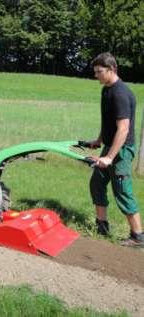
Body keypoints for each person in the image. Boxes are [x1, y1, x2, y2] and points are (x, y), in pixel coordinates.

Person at [88, 52, 144, 247]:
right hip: (110, 147)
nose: (96, 75)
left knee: (122, 190)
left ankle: (138, 236)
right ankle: (102, 226)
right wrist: (99, 140)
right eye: (95, 72)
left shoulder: (120, 93)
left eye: (99, 72)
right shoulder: (106, 90)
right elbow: (108, 121)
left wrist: (110, 157)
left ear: (111, 70)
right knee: (97, 182)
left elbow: (123, 128)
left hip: (121, 151)